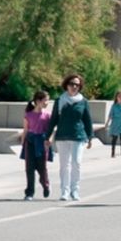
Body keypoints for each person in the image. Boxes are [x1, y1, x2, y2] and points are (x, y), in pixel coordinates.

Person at [47, 74, 94, 202]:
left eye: (77, 85)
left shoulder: (83, 101)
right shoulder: (60, 100)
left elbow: (87, 120)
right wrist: (48, 136)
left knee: (76, 163)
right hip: (62, 136)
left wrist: (90, 136)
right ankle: (65, 191)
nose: (74, 86)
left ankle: (75, 190)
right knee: (64, 165)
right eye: (71, 84)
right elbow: (53, 119)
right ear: (66, 85)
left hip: (78, 136)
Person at [20, 91, 52, 201]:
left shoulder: (47, 115)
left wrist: (50, 140)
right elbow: (25, 130)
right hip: (30, 142)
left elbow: (50, 130)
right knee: (29, 168)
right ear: (38, 101)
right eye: (45, 100)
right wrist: (23, 142)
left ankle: (45, 184)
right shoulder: (28, 115)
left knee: (42, 167)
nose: (47, 102)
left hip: (42, 142)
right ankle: (29, 192)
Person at [106, 92, 121, 158]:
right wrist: (107, 123)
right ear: (117, 98)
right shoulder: (114, 106)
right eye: (119, 96)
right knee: (114, 139)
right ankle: (113, 153)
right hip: (115, 124)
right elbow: (110, 115)